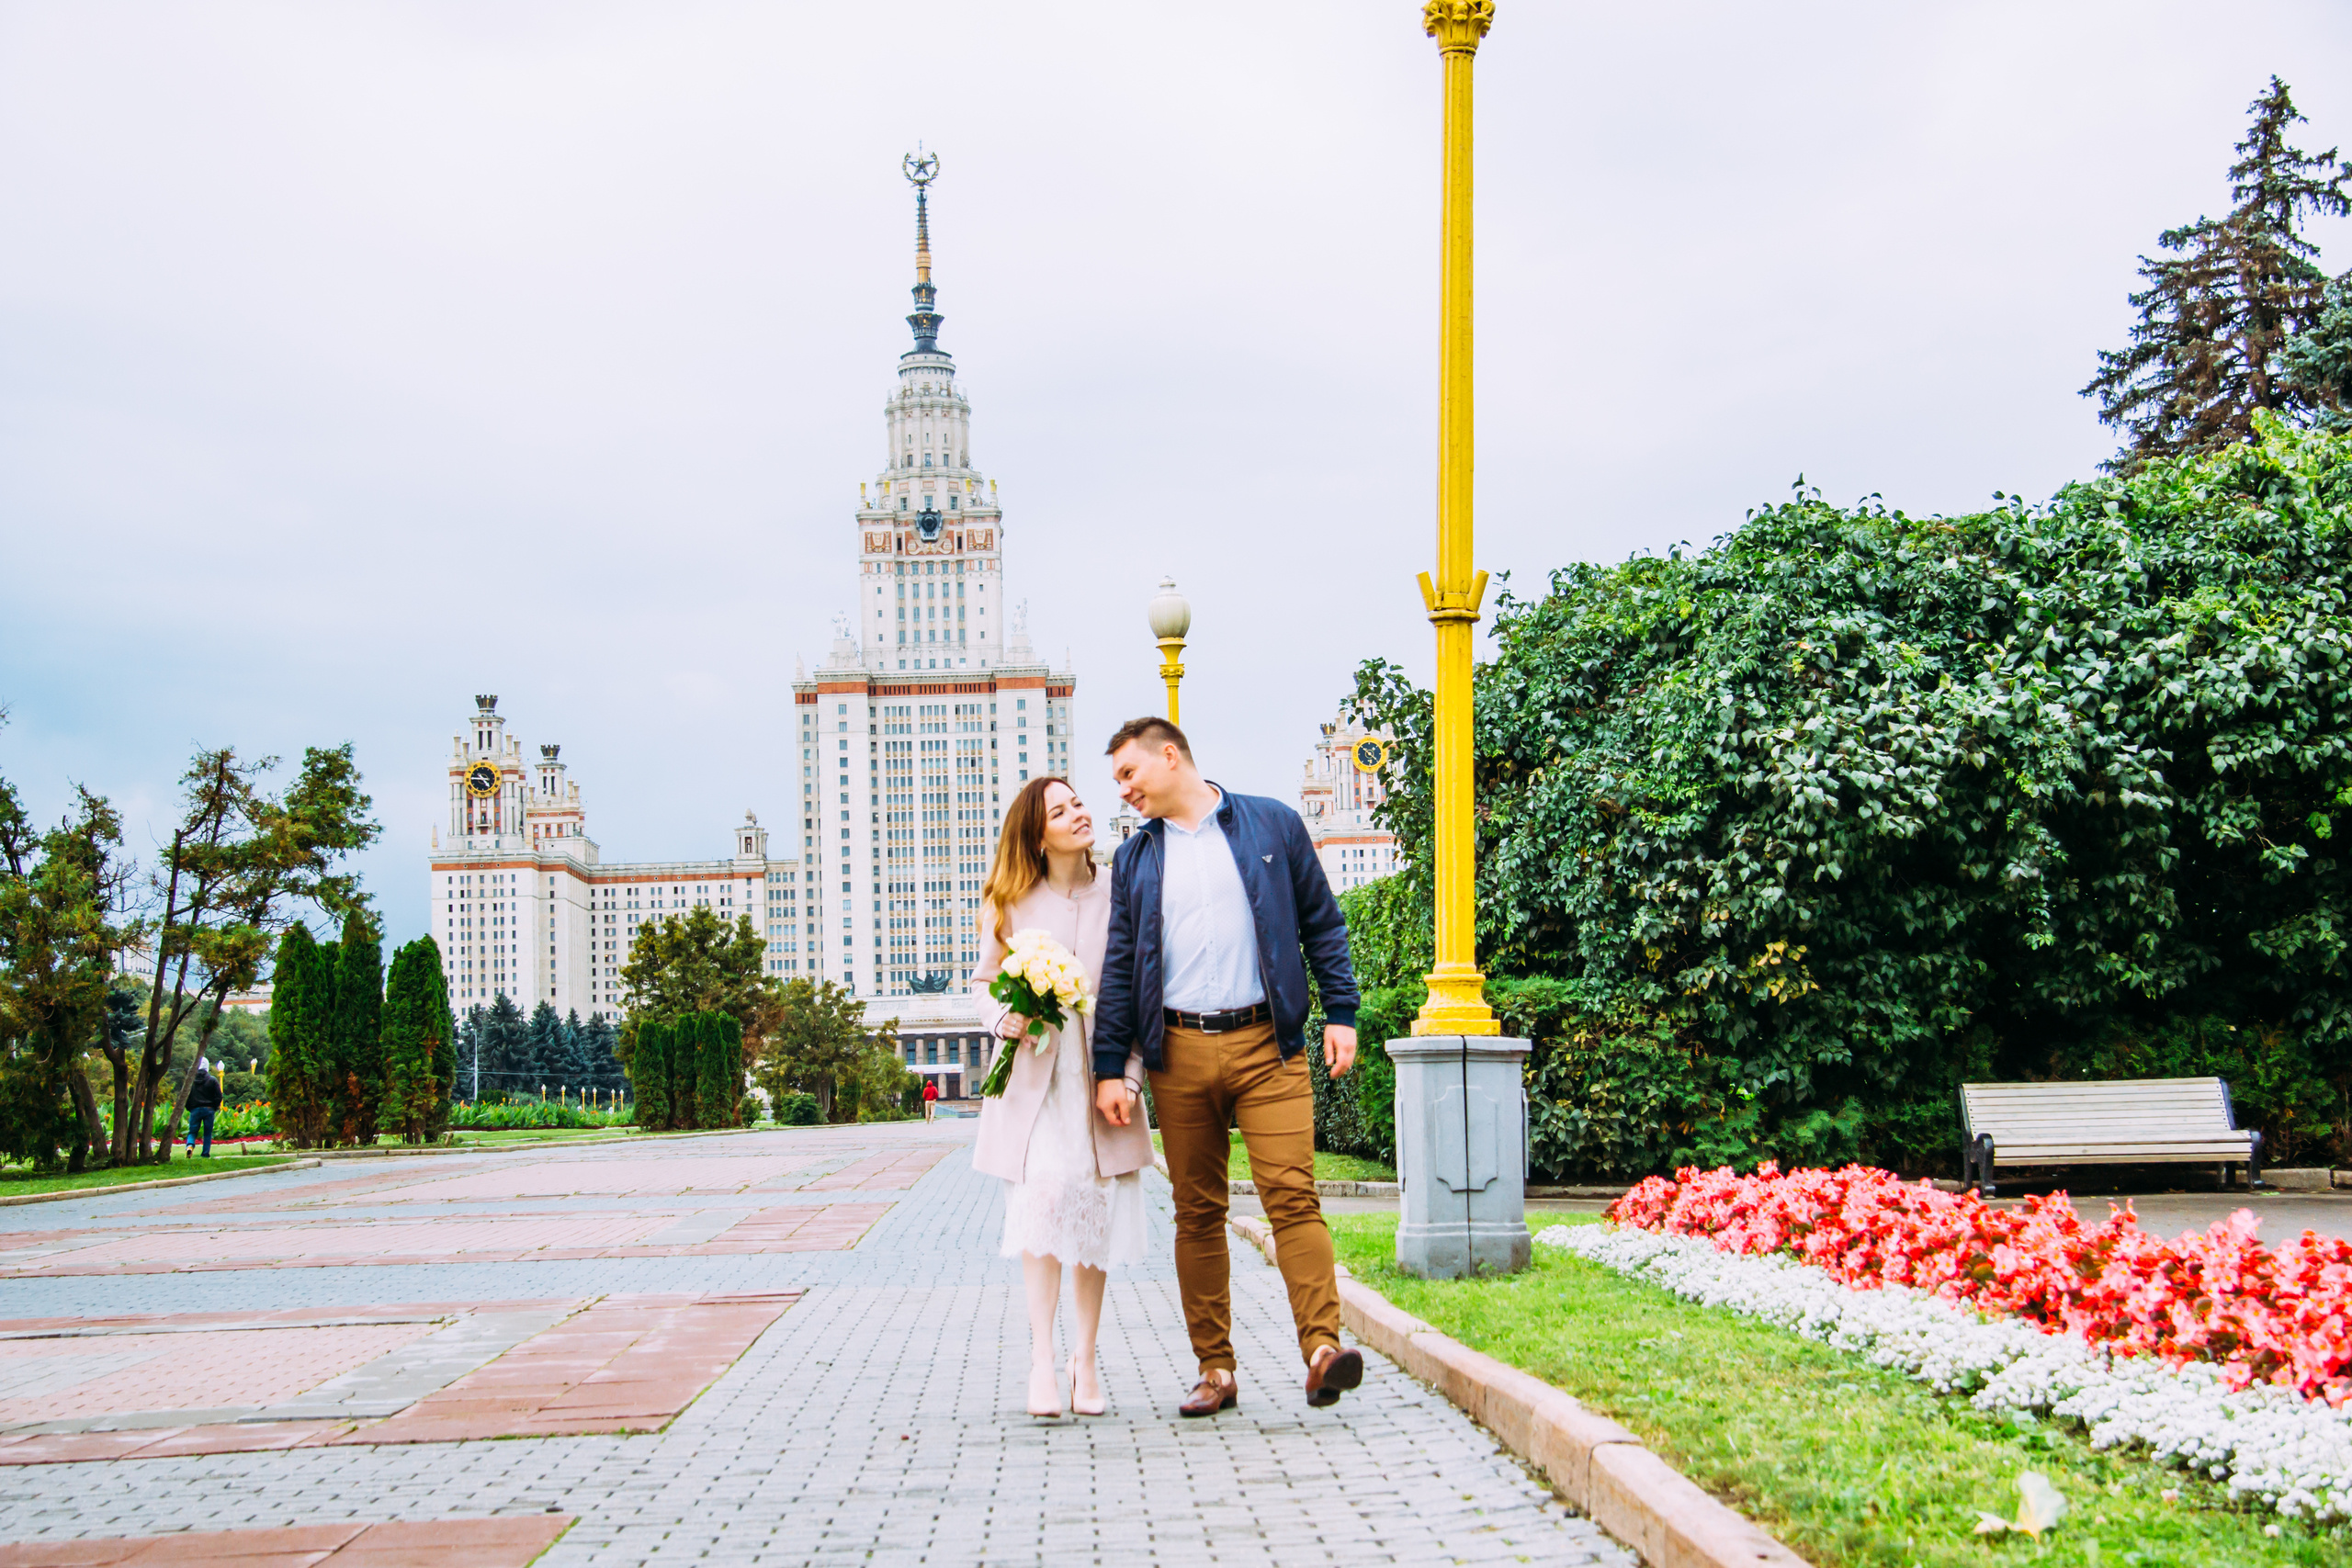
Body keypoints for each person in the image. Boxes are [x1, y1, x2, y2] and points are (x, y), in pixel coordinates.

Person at [1094, 716, 1363, 1416]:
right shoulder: (1135, 858)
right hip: (1177, 1053)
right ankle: (1215, 1368)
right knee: (1197, 1212)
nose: (1123, 790)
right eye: (1118, 779)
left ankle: (1322, 1350)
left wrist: (1341, 1011)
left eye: (1129, 773)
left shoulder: (1271, 825)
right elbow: (1120, 966)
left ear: (1170, 755)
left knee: (1292, 1195)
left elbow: (1323, 924)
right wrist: (1109, 1067)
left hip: (1268, 1045)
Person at [971, 775, 1155, 1418]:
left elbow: (1138, 994)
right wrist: (1006, 1018)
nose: (1078, 813)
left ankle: (1086, 1358)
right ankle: (1041, 1360)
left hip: (1099, 1080)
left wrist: (1130, 1077)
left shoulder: (1120, 894)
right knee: (1043, 1208)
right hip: (1034, 1085)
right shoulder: (1010, 901)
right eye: (1060, 810)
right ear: (1037, 834)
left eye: (1078, 802)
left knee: (1091, 1214)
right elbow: (984, 983)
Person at [186, 1058, 222, 1158]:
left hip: (195, 1109)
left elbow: (186, 1096)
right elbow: (219, 1096)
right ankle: (205, 1153)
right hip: (209, 1109)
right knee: (207, 1133)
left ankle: (190, 1145)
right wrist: (214, 1106)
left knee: (192, 1131)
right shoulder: (212, 1080)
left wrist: (190, 1108)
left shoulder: (191, 1081)